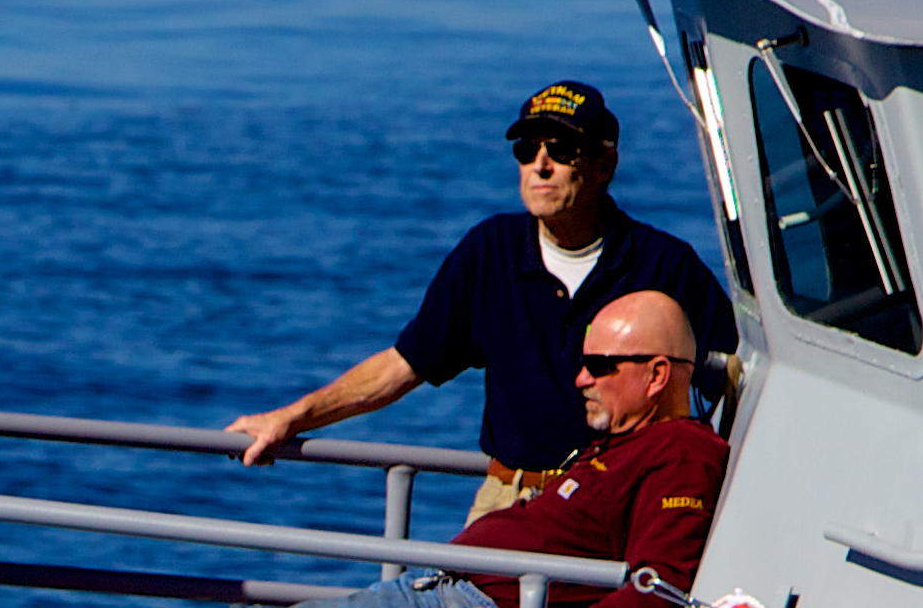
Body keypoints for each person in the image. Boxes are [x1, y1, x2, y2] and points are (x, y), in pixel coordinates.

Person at [69, 288, 723, 608]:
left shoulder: (679, 454)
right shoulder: (620, 444)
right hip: (448, 589)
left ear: (656, 374)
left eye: (600, 367)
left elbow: (654, 593)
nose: (579, 378)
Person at [227, 79, 738, 506]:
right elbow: (403, 366)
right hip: (507, 498)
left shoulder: (663, 264)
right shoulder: (489, 252)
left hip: (623, 505)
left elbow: (737, 379)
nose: (540, 165)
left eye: (561, 151)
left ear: (604, 165)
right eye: (527, 150)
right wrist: (291, 417)